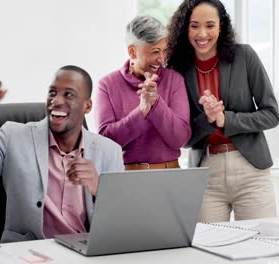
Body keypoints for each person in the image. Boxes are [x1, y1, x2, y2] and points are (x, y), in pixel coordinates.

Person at [0, 66, 124, 242]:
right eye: (52, 93)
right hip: (27, 255)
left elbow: (121, 224)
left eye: (68, 94)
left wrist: (99, 189)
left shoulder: (109, 152)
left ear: (87, 106)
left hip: (83, 256)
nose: (56, 101)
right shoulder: (13, 137)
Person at [167, 0, 279, 222]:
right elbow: (182, 138)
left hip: (251, 171)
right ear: (183, 28)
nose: (202, 33)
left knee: (259, 249)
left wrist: (224, 119)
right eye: (194, 25)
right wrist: (207, 119)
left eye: (210, 25)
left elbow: (271, 114)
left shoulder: (244, 56)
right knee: (208, 251)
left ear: (221, 26)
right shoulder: (176, 69)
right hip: (206, 173)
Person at [96, 16, 191, 170]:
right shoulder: (107, 85)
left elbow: (179, 139)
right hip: (128, 178)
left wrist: (156, 104)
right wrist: (142, 111)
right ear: (132, 52)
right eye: (155, 52)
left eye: (165, 51)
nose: (161, 59)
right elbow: (105, 143)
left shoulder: (174, 80)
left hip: (170, 176)